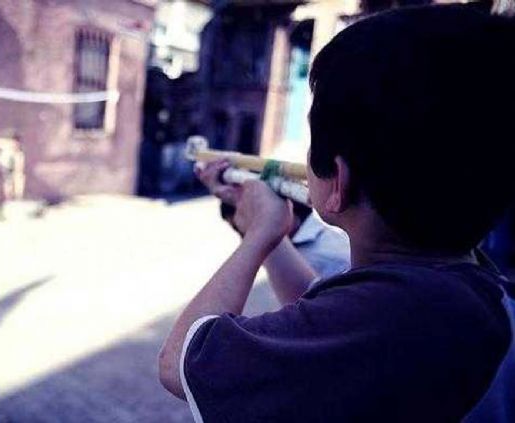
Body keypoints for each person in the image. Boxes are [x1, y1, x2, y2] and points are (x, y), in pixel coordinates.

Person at [159, 5, 515, 422]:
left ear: (339, 181)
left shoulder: (395, 318)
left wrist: (256, 239)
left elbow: (180, 363)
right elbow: (321, 313)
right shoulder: (465, 288)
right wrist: (270, 232)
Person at [196, 159, 350, 284]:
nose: (245, 236)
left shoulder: (331, 255)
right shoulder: (287, 250)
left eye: (243, 228)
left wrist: (261, 229)